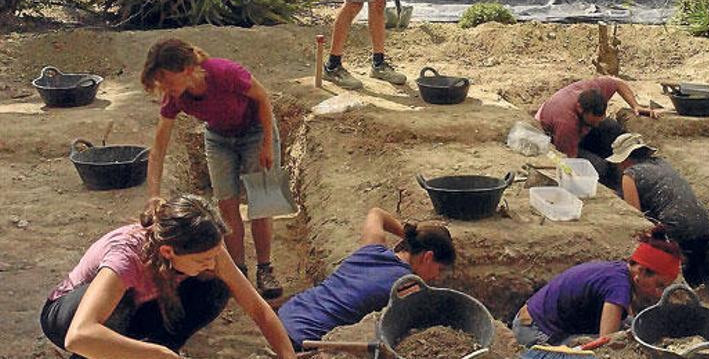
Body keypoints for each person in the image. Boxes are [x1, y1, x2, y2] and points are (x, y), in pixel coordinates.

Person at [40, 195, 297, 359]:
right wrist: (155, 354)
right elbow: (78, 335)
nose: (212, 263)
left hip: (135, 310)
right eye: (201, 259)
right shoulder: (127, 256)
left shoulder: (208, 248)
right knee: (122, 302)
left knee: (216, 286)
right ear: (168, 251)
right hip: (69, 318)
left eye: (213, 255)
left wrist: (287, 355)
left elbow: (258, 309)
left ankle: (156, 348)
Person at [141, 38, 282, 299]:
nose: (167, 90)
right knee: (226, 206)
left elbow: (263, 98)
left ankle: (265, 268)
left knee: (262, 203)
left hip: (255, 132)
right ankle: (238, 273)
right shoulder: (174, 98)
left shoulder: (224, 72)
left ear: (187, 70)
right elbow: (158, 149)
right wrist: (153, 195)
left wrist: (266, 146)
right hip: (218, 137)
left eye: (169, 83)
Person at [278, 207, 456, 350]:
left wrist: (412, 237)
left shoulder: (372, 249)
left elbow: (376, 213)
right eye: (438, 269)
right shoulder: (406, 286)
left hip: (285, 315)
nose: (436, 276)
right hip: (303, 338)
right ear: (428, 257)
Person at [512, 227, 682, 348]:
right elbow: (605, 344)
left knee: (631, 327)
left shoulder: (621, 272)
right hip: (535, 332)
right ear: (641, 272)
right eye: (659, 285)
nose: (660, 294)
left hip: (534, 319)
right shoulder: (618, 287)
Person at [606, 133, 709, 287]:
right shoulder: (662, 163)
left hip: (678, 231)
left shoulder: (630, 174)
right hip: (704, 227)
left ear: (624, 160)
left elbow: (635, 218)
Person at [536, 76, 658, 190]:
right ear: (580, 109)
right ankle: (613, 183)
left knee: (611, 127)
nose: (596, 125)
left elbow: (618, 83)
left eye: (598, 121)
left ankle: (620, 164)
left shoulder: (595, 90)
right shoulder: (566, 123)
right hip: (556, 138)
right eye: (592, 122)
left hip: (577, 128)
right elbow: (567, 160)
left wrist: (635, 105)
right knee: (600, 167)